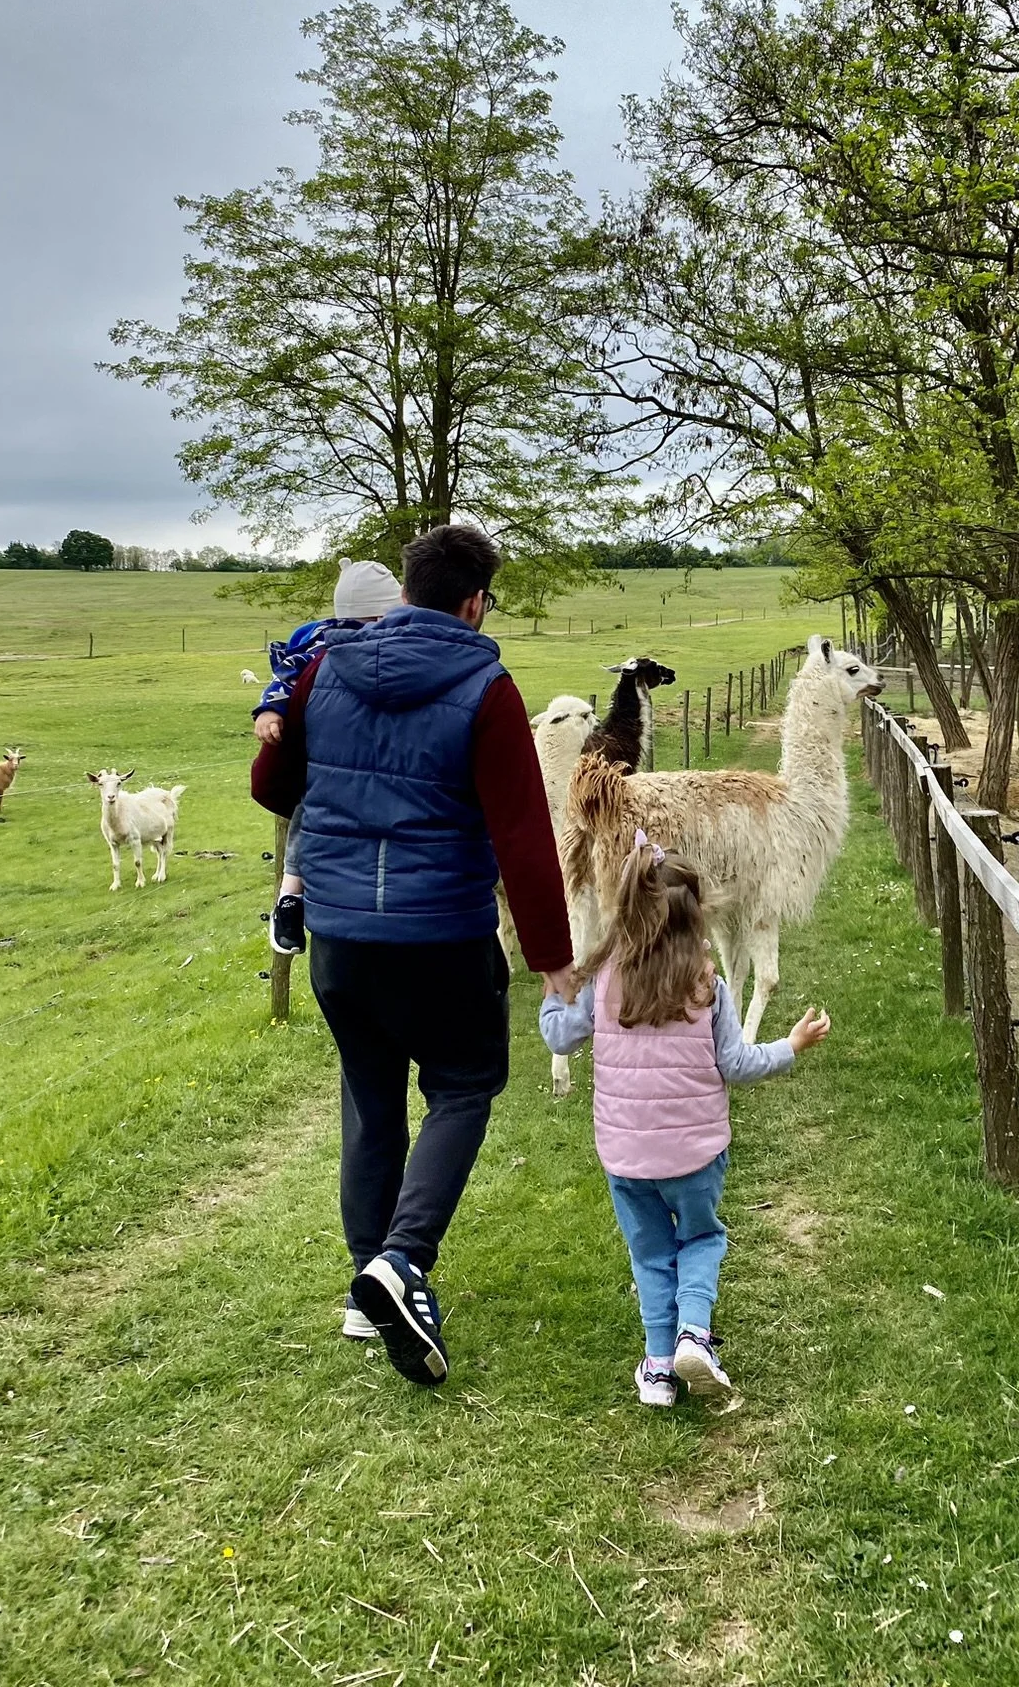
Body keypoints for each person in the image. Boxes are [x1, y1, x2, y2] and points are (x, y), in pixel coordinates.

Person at [252, 523, 576, 1387]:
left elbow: (270, 786)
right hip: (442, 934)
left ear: (405, 590)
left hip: (343, 938)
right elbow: (520, 830)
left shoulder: (326, 668)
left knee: (369, 1090)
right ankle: (400, 1261)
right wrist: (553, 955)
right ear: (474, 602)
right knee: (465, 1086)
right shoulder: (486, 685)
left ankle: (367, 1293)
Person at [540, 834, 830, 1405]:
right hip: (696, 1157)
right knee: (699, 1236)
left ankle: (657, 1367)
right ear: (694, 918)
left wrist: (554, 991)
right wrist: (791, 1045)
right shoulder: (707, 988)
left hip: (626, 1159)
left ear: (625, 912)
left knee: (649, 1252)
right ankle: (693, 1332)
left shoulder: (602, 984)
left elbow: (557, 1033)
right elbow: (737, 1064)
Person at [252, 557, 405, 957]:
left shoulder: (320, 651)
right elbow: (284, 680)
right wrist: (269, 711)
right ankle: (289, 899)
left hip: (334, 801)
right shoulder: (332, 649)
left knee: (308, 814)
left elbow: (285, 683)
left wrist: (272, 712)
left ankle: (290, 900)